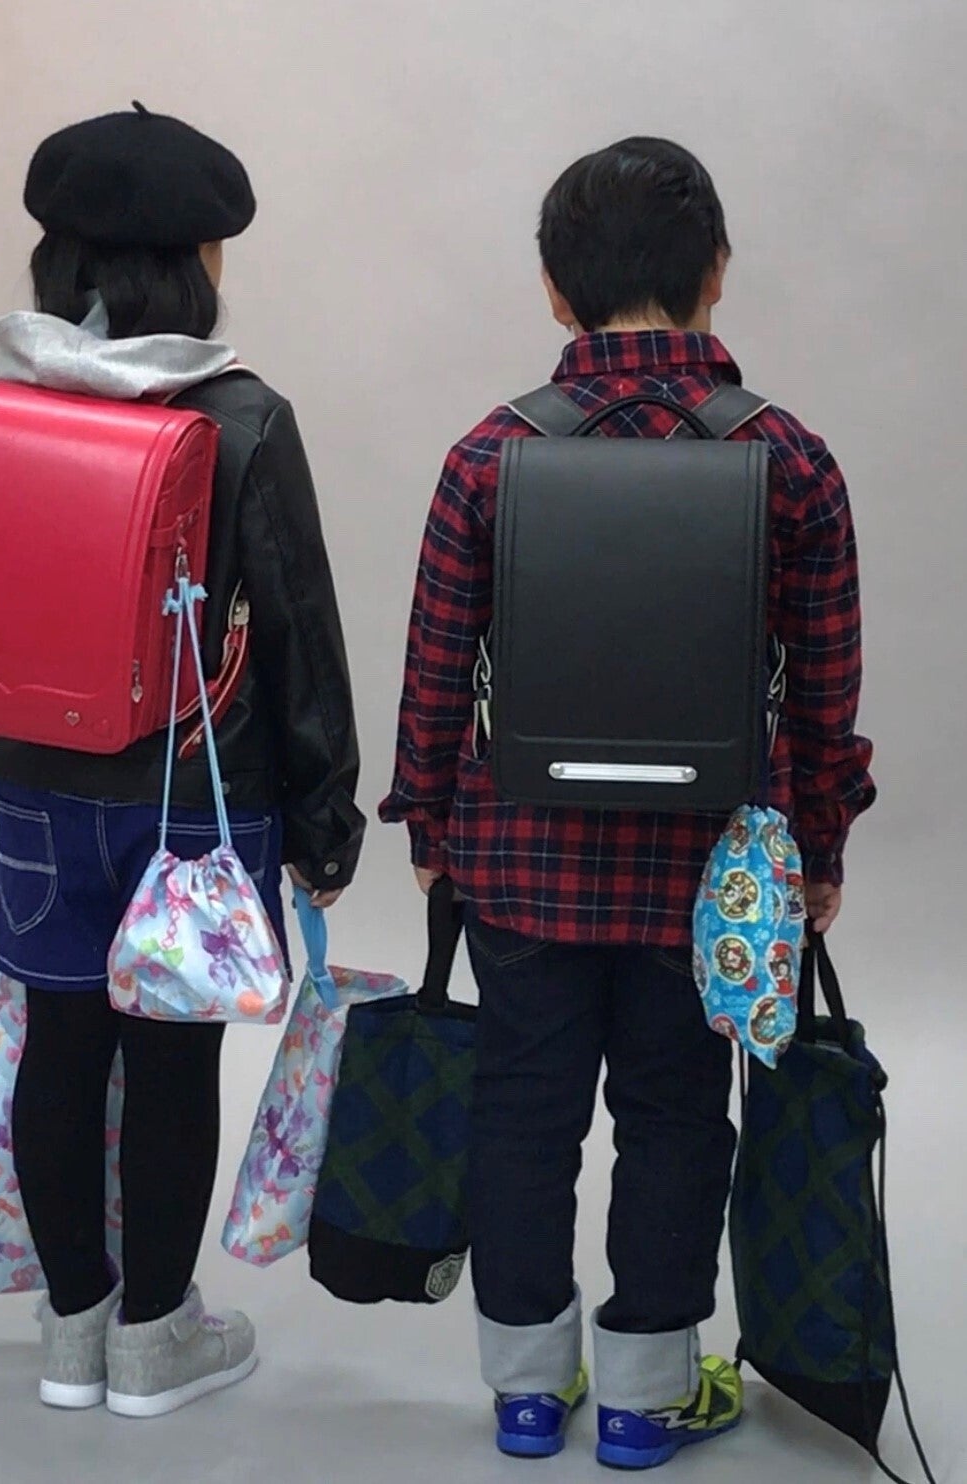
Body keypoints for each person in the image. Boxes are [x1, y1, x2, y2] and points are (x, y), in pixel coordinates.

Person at [381, 137, 875, 1470]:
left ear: (555, 289)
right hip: (711, 876)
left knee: (521, 1112)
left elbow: (437, 666)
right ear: (717, 274)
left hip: (519, 867)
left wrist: (429, 824)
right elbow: (824, 690)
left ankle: (526, 1392)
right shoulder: (790, 457)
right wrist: (820, 846)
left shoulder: (488, 455)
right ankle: (649, 1397)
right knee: (677, 1116)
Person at [0, 104, 364, 1418]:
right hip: (199, 809)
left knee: (56, 1052)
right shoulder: (244, 419)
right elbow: (298, 634)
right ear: (198, 266)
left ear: (55, 261)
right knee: (173, 1067)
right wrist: (326, 820)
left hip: (36, 794)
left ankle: (73, 1331)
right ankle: (158, 1338)